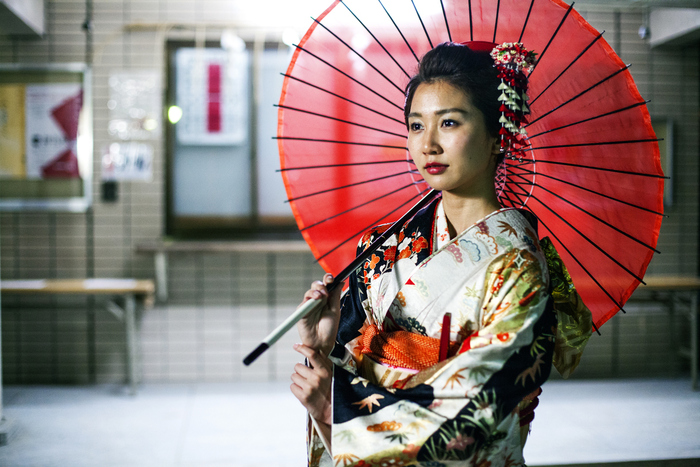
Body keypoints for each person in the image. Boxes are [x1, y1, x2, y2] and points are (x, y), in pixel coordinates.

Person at [290, 42, 591, 467]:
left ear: (495, 135)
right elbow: (342, 366)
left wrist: (337, 410)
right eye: (416, 126)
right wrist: (321, 348)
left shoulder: (518, 265)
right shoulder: (383, 247)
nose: (427, 144)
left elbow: (482, 405)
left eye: (448, 123)